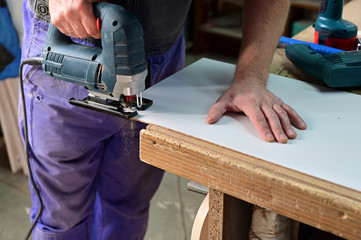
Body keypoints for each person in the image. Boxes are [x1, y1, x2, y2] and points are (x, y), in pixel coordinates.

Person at [20, 0, 307, 239]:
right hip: (66, 39)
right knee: (60, 218)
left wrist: (252, 76)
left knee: (126, 208)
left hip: (160, 56)